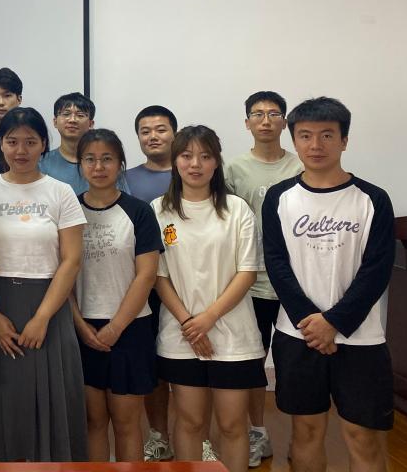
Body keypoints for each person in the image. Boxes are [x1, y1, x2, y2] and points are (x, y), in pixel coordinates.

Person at [264, 97, 394, 472]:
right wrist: (312, 322)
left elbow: (377, 269)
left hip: (360, 337)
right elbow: (276, 264)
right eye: (305, 136)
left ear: (344, 140)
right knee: (305, 431)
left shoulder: (373, 199)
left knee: (362, 436)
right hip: (298, 334)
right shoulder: (279, 198)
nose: (315, 145)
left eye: (326, 135)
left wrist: (334, 322)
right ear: (294, 140)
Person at [0, 107, 87, 461]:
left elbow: (71, 260)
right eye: (12, 142)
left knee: (52, 401)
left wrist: (42, 317)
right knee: (2, 402)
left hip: (49, 306)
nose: (20, 150)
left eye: (30, 142)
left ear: (43, 145)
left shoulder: (61, 192)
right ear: (1, 145)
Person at [152, 125, 265, 472]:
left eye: (205, 156)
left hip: (233, 334)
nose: (195, 164)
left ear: (217, 162)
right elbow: (158, 276)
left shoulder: (237, 209)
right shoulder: (159, 210)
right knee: (190, 422)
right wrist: (189, 322)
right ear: (175, 161)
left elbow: (247, 271)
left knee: (232, 424)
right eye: (187, 156)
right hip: (181, 334)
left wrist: (208, 318)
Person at [224, 90, 304, 468]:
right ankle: (258, 432)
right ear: (247, 123)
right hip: (250, 282)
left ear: (284, 121)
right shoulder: (233, 169)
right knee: (253, 363)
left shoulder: (300, 165)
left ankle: (303, 438)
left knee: (296, 365)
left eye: (274, 113)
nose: (266, 120)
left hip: (295, 284)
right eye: (258, 114)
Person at [71, 129, 161, 462]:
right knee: (94, 421)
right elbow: (62, 275)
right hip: (83, 328)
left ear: (120, 163)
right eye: (90, 159)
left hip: (130, 328)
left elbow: (146, 275)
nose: (98, 167)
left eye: (107, 159)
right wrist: (80, 326)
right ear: (80, 165)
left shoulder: (139, 211)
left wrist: (116, 327)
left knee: (126, 423)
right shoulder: (69, 211)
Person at [124, 104, 177, 461]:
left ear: (174, 133)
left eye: (160, 129)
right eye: (145, 131)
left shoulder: (193, 171)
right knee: (152, 365)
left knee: (191, 366)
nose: (153, 136)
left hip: (187, 283)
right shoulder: (126, 178)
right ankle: (159, 435)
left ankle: (199, 436)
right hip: (143, 283)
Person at [39, 92, 96, 194]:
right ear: (55, 122)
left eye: (80, 115)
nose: (72, 120)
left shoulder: (101, 164)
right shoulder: (40, 163)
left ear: (91, 124)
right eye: (66, 114)